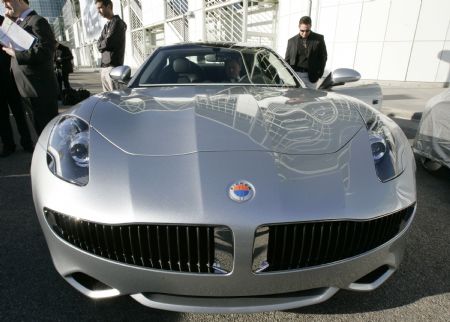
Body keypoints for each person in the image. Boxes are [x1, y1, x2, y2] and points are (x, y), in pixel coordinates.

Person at [2, 0, 59, 136]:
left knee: (48, 133)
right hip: (29, 89)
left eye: (7, 1)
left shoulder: (37, 21)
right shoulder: (20, 23)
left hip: (39, 90)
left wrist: (15, 54)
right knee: (40, 131)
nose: (5, 6)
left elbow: (45, 51)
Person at [0, 14, 33, 157]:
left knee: (19, 112)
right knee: (1, 116)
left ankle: (26, 142)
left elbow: (20, 44)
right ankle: (8, 145)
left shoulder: (4, 22)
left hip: (11, 75)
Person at [285, 16, 327, 89]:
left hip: (311, 76)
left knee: (310, 99)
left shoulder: (319, 39)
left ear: (310, 26)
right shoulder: (291, 41)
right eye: (302, 31)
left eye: (307, 31)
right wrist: (287, 76)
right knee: (294, 98)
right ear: (299, 27)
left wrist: (319, 74)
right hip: (295, 76)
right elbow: (287, 60)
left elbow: (323, 57)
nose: (304, 33)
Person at [95, 0, 127, 92]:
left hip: (113, 67)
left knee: (116, 98)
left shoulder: (117, 23)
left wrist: (102, 44)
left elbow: (109, 42)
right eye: (97, 9)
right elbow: (98, 44)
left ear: (108, 6)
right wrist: (102, 44)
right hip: (104, 68)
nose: (98, 11)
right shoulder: (106, 25)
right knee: (107, 99)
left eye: (100, 8)